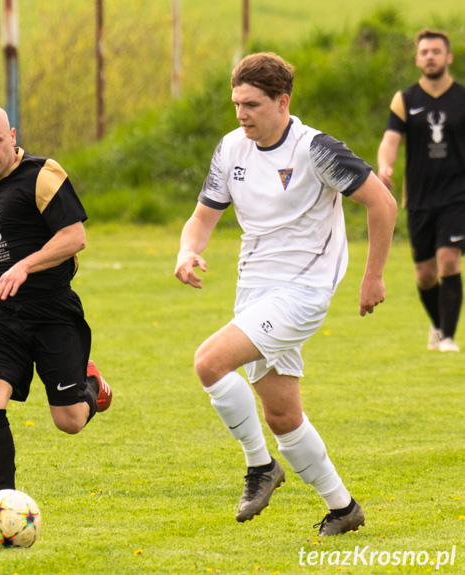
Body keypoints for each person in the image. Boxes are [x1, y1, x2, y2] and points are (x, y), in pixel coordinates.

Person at [174, 53, 397, 536]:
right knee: (281, 414)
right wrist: (187, 251)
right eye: (236, 104)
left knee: (209, 362)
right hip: (254, 289)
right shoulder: (231, 148)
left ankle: (260, 468)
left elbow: (382, 202)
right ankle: (343, 508)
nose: (241, 114)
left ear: (282, 102)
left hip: (303, 292)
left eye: (251, 104)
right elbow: (202, 218)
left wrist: (372, 276)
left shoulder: (315, 150)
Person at [0, 105, 113, 525]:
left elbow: (74, 236)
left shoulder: (43, 175)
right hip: (5, 314)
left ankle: (93, 384)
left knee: (68, 421)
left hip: (53, 311)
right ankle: (2, 504)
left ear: (12, 135)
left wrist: (25, 264)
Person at [378, 29, 465, 353]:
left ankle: (447, 339)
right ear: (417, 58)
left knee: (448, 261)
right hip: (419, 199)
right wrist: (385, 166)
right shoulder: (405, 100)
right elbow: (390, 140)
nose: (430, 56)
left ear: (448, 57)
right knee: (426, 275)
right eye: (424, 52)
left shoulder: (462, 98)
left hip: (458, 196)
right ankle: (439, 324)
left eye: (436, 51)